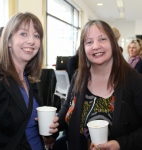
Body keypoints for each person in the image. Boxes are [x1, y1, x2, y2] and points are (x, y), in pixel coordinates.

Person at [46, 20, 142, 150]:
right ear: (83, 48)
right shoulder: (79, 76)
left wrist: (120, 144)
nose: (96, 46)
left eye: (102, 39)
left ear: (113, 43)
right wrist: (52, 130)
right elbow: (68, 108)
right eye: (89, 42)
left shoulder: (133, 80)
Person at [0, 12, 58, 149]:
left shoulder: (29, 80)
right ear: (9, 41)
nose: (31, 41)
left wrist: (50, 132)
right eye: (23, 33)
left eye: (36, 36)